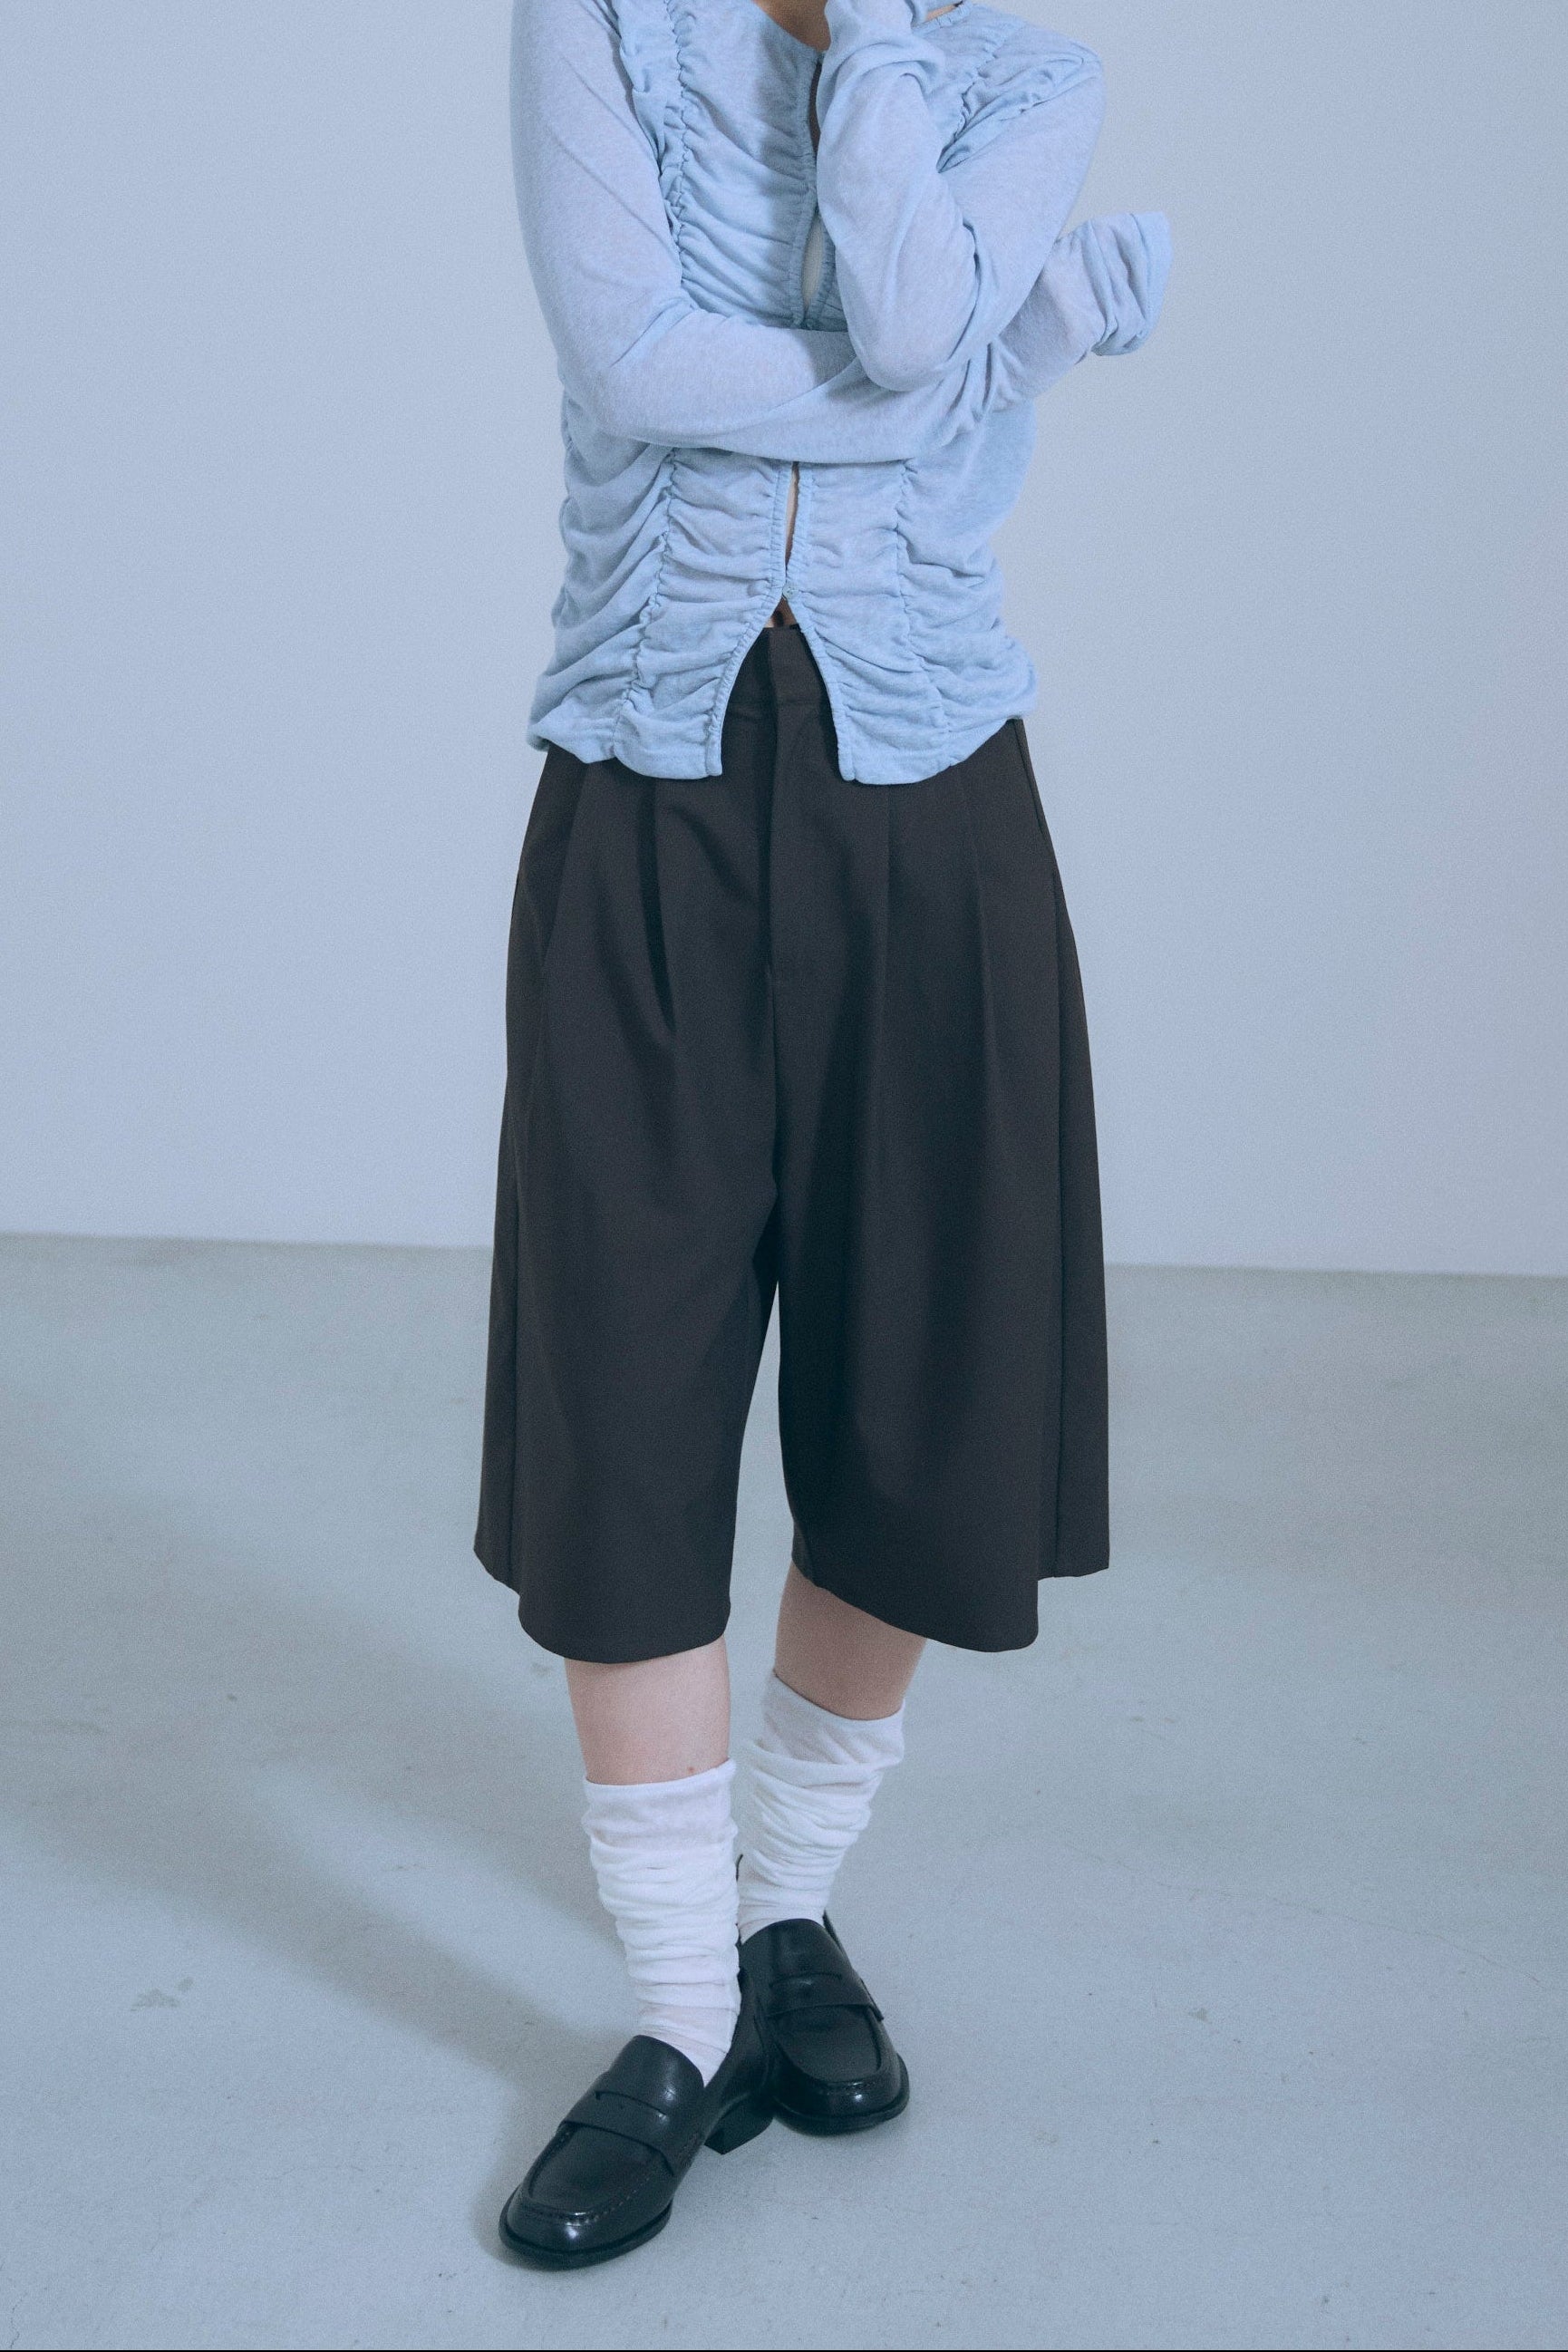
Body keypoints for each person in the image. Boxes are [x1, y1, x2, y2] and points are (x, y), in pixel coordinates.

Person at [476, 0, 1169, 2269]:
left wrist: (867, 42)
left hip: (930, 795)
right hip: (651, 784)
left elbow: (885, 315)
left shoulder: (1017, 67)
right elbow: (634, 356)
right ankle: (679, 2017)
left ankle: (780, 1909)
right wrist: (949, 376)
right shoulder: (595, 18)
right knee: (624, 1398)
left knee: (918, 1387)